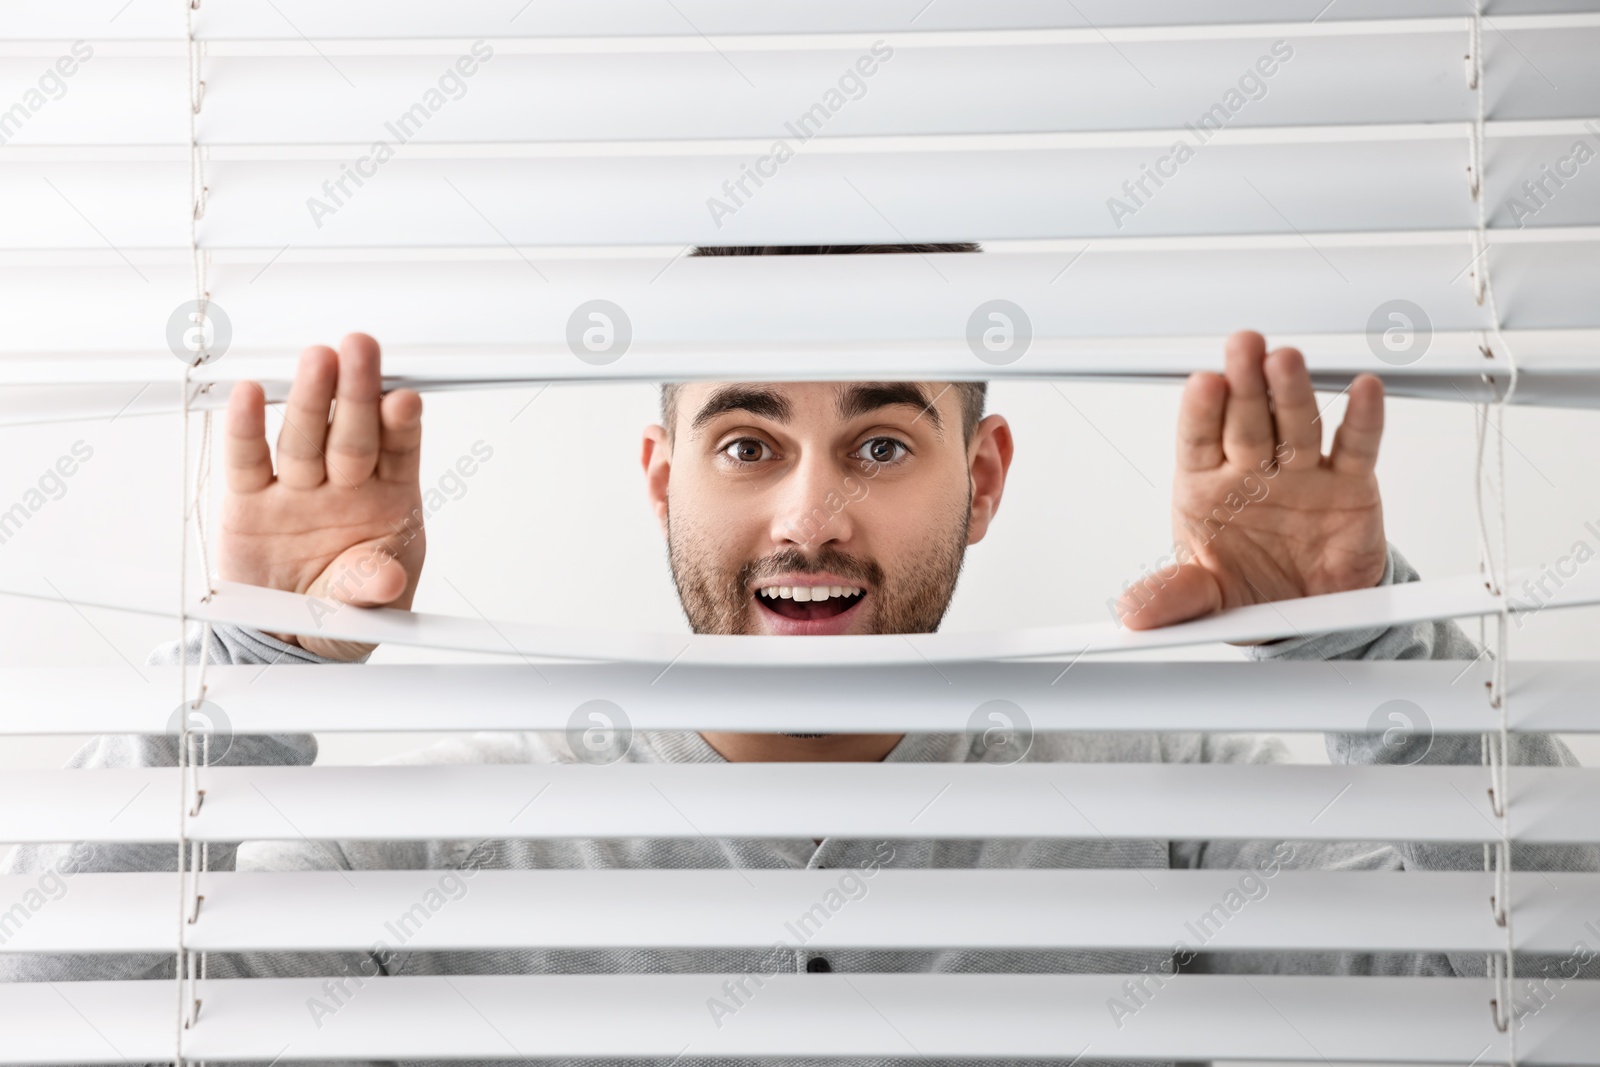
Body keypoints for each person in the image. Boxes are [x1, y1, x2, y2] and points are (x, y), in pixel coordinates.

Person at [2, 244, 1592, 1066]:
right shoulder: (452, 840)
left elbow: (1559, 999)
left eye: (884, 445)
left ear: (982, 479)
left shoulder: (1179, 823)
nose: (811, 519)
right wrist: (252, 669)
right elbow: (51, 1009)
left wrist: (1375, 641)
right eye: (749, 440)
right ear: (661, 476)